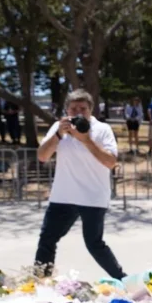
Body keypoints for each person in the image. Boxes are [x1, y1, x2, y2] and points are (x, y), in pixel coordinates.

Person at [33, 89, 125, 279]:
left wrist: (86, 140)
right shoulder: (59, 127)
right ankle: (40, 281)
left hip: (93, 196)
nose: (78, 113)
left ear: (91, 110)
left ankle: (122, 279)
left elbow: (110, 162)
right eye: (73, 109)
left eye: (83, 108)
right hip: (63, 195)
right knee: (47, 239)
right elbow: (42, 156)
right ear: (67, 110)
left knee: (94, 244)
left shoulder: (102, 129)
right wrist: (58, 134)